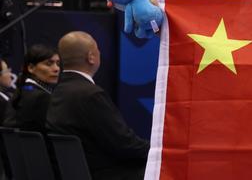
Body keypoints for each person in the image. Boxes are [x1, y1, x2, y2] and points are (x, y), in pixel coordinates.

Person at [47, 31, 149, 180]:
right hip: (105, 173)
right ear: (91, 57)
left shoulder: (60, 90)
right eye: (97, 49)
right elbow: (124, 145)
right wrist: (157, 151)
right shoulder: (90, 94)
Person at [4, 45, 60, 131]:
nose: (56, 69)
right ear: (31, 68)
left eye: (58, 63)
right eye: (49, 64)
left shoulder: (23, 89)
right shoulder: (40, 96)